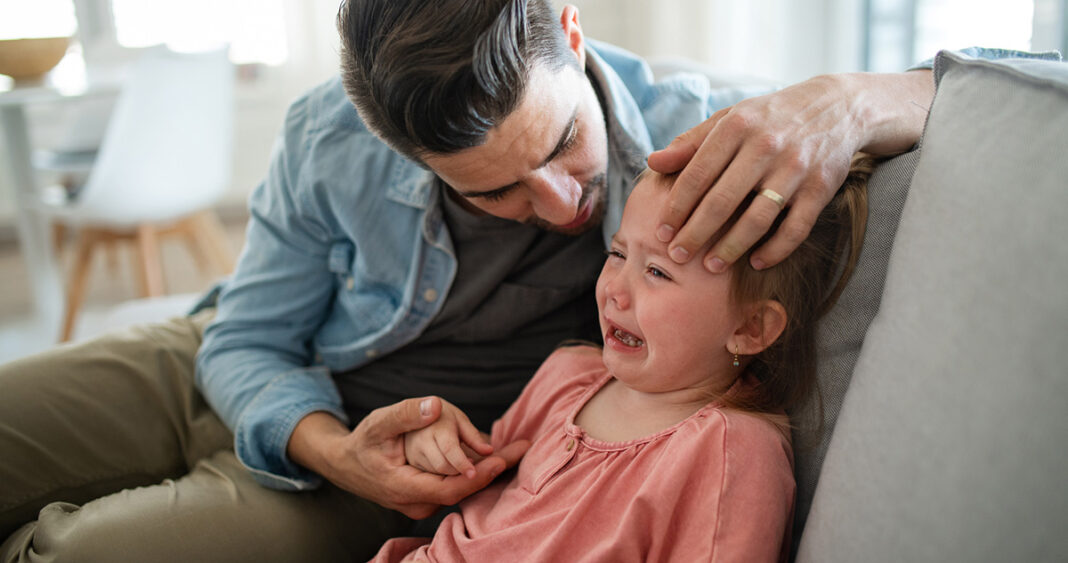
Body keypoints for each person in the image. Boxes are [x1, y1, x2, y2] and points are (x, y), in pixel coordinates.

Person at [0, 0, 1005, 560]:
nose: (565, 202)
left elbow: (1011, 83)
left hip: (393, 459)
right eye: (495, 193)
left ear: (568, 31)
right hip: (235, 368)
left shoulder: (696, 131)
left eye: (564, 145)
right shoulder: (331, 132)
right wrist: (332, 446)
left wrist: (855, 95)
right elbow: (246, 337)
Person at [375, 160, 871, 562]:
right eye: (616, 255)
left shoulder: (730, 451)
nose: (614, 290)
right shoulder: (567, 373)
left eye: (656, 271)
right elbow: (476, 486)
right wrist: (435, 445)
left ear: (750, 328)